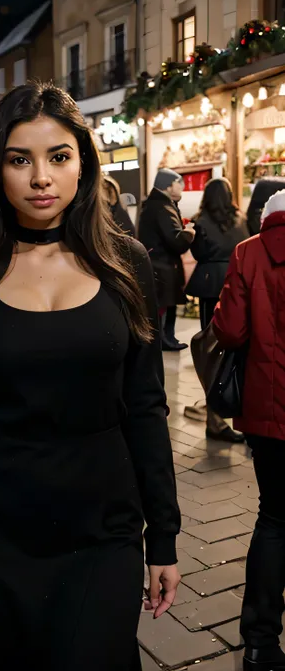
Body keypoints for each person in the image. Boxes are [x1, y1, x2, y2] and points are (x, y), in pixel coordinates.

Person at [0, 82, 181, 670]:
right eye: (19, 159)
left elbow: (147, 406)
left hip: (102, 523)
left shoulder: (126, 261)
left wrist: (163, 533)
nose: (41, 177)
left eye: (58, 156)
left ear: (82, 161)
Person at [213, 190, 285, 671]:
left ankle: (260, 642)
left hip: (268, 408)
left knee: (275, 519)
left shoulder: (249, 251)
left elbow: (231, 332)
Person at [185, 178, 249, 443]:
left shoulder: (201, 221)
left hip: (210, 284)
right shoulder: (241, 219)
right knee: (240, 348)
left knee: (210, 350)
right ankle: (237, 409)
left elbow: (198, 253)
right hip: (237, 284)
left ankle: (215, 411)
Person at [138, 168, 196, 351]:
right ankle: (164, 340)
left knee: (162, 306)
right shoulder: (162, 207)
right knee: (163, 307)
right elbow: (176, 241)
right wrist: (189, 233)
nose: (181, 189)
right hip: (162, 267)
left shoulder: (155, 205)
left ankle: (166, 338)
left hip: (157, 265)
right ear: (170, 185)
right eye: (180, 184)